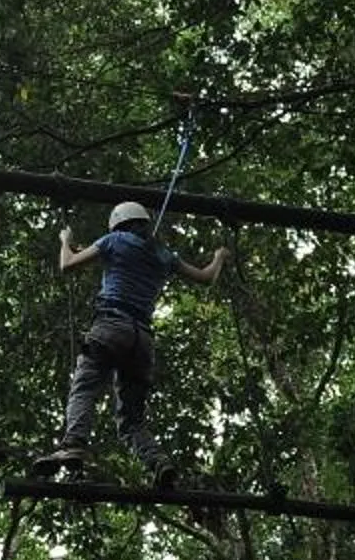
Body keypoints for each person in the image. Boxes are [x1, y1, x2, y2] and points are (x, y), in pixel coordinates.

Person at [39, 200, 229, 483]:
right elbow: (205, 277)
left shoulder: (113, 241)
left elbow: (67, 265)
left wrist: (65, 241)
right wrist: (219, 256)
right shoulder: (163, 255)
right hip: (142, 341)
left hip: (110, 326)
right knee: (132, 420)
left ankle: (74, 444)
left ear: (117, 224)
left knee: (85, 388)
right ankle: (158, 463)